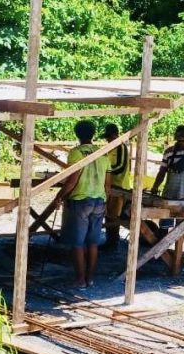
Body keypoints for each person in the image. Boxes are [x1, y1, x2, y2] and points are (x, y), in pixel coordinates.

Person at [55, 120, 111, 288]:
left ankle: (80, 279)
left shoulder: (76, 153)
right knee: (93, 242)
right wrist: (106, 201)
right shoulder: (104, 153)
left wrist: (59, 196)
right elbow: (108, 184)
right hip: (99, 200)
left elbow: (72, 181)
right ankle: (90, 278)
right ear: (93, 134)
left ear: (77, 134)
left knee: (78, 243)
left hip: (81, 201)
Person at [150, 125, 184, 207]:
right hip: (169, 194)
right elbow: (162, 172)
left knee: (183, 219)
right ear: (176, 138)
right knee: (166, 219)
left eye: (183, 140)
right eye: (179, 140)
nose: (181, 142)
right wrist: (155, 187)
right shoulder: (168, 152)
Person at [102, 123, 132, 251]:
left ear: (115, 135)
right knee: (108, 215)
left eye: (109, 137)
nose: (108, 139)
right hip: (110, 185)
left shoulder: (121, 147)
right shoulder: (109, 148)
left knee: (114, 216)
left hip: (119, 186)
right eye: (107, 137)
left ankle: (113, 243)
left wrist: (105, 171)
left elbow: (120, 166)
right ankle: (110, 241)